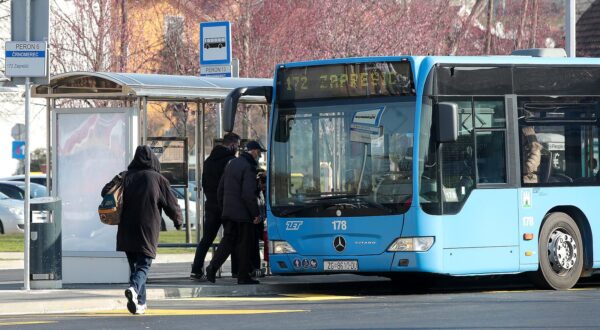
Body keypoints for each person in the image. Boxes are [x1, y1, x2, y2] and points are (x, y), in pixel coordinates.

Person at [102, 145, 182, 315]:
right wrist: (178, 222)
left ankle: (140, 303)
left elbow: (105, 192)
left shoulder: (125, 176)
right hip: (147, 227)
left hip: (126, 228)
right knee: (144, 264)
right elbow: (172, 204)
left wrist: (119, 177)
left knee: (135, 266)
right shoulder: (158, 179)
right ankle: (134, 288)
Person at [205, 140, 267, 285]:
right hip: (243, 214)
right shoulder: (249, 167)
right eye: (258, 152)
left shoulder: (232, 164)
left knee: (227, 242)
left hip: (229, 213)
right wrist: (255, 214)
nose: (259, 156)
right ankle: (243, 276)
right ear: (252, 151)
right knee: (244, 245)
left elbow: (220, 189)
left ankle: (212, 267)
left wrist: (224, 208)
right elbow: (248, 194)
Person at [190, 132, 241, 281]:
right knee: (232, 237)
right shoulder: (231, 161)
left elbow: (205, 183)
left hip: (211, 204)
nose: (238, 148)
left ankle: (196, 269)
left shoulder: (208, 161)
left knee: (206, 239)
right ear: (232, 145)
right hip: (227, 205)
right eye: (237, 146)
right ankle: (236, 270)